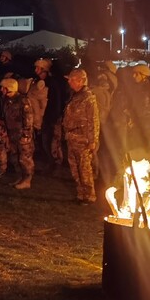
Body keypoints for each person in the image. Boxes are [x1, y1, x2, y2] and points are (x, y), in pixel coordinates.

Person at [63, 69, 100, 204]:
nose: (69, 81)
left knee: (84, 169)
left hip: (82, 138)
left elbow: (94, 120)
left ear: (80, 81)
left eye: (72, 79)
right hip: (72, 136)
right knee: (74, 168)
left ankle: (89, 196)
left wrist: (93, 140)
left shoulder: (88, 98)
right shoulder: (75, 95)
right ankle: (80, 194)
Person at [2, 77, 34, 190]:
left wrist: (26, 135)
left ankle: (27, 180)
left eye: (3, 87)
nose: (1, 89)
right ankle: (20, 177)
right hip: (12, 133)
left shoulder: (23, 101)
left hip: (22, 134)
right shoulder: (6, 100)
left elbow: (28, 119)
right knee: (14, 157)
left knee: (25, 159)